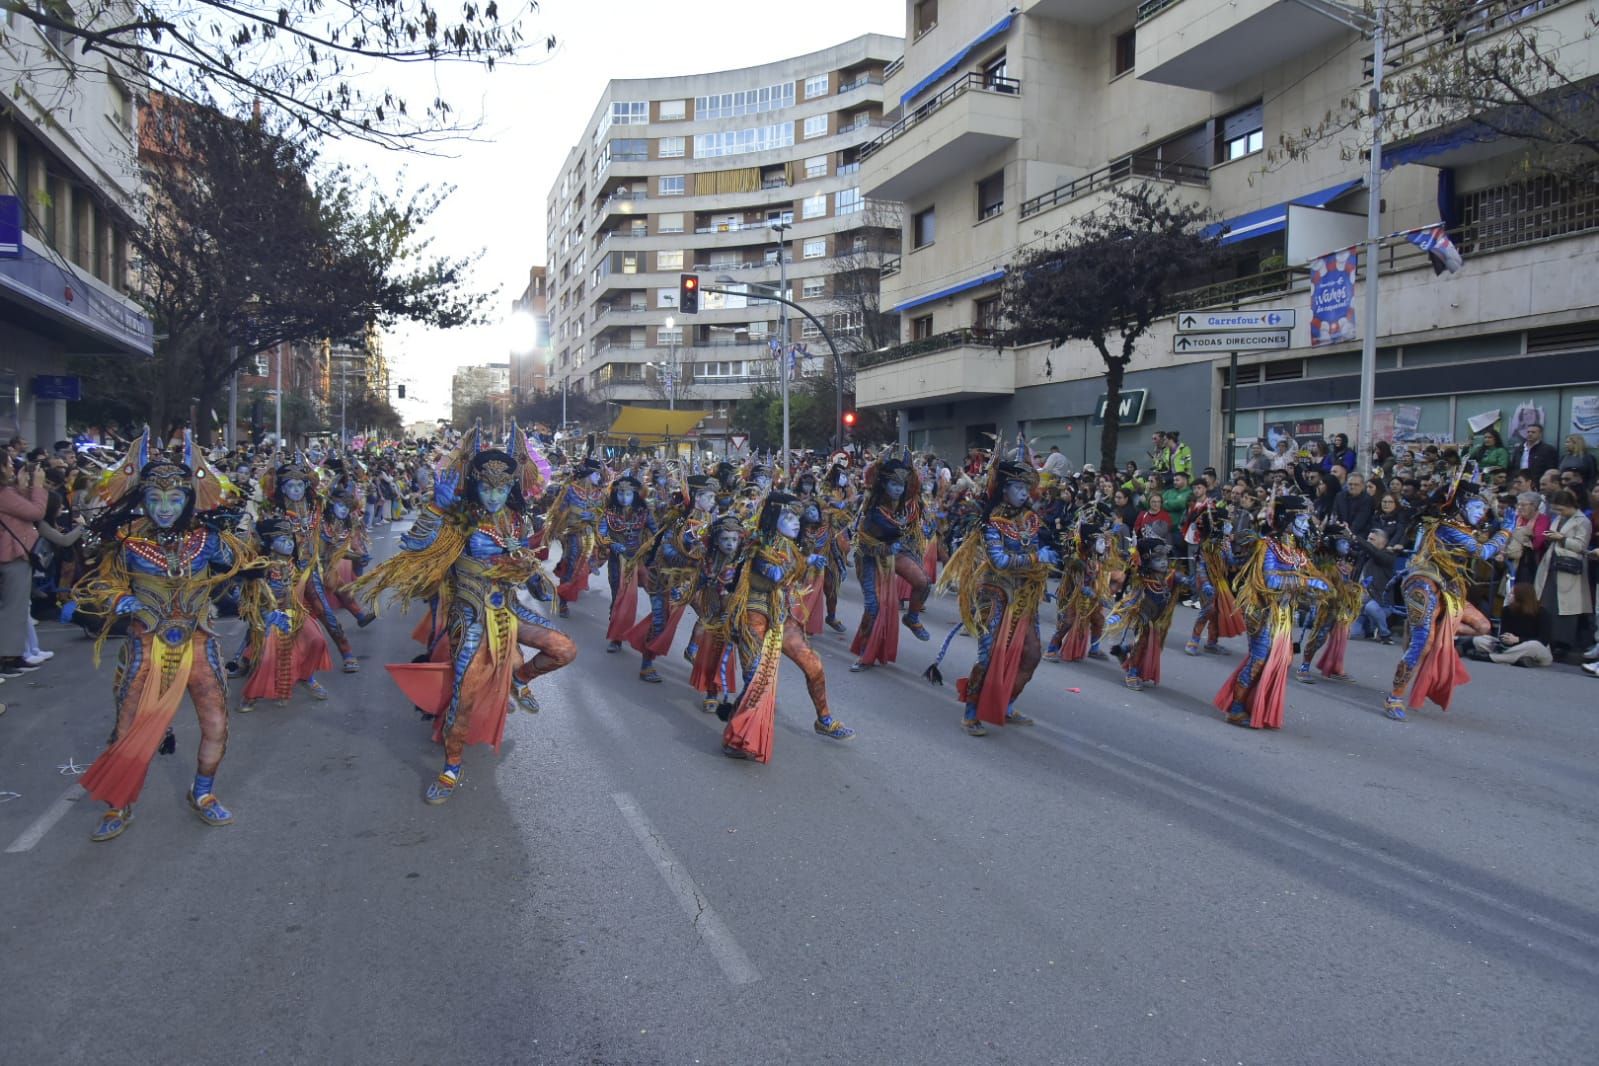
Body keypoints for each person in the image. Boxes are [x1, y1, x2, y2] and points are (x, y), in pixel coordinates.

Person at [356, 426, 576, 805]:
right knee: (465, 697)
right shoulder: (460, 517)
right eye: (487, 489)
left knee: (564, 650)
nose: (494, 496)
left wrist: (536, 578)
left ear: (511, 488)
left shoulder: (518, 522)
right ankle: (451, 765)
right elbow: (415, 544)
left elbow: (526, 567)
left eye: (502, 489)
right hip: (471, 614)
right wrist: (436, 507)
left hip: (509, 608)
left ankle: (518, 679)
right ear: (476, 486)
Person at [70, 430, 254, 841]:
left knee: (216, 724)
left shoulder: (208, 541)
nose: (165, 508)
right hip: (146, 646)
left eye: (174, 499)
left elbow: (243, 569)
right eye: (155, 499)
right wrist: (120, 600)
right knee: (128, 729)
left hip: (199, 642)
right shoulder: (128, 542)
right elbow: (100, 585)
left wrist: (239, 545)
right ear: (143, 500)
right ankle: (120, 804)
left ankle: (202, 794)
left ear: (189, 499)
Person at [931, 449, 1057, 735]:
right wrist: (1037, 559)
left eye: (1027, 487)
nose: (1024, 493)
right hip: (995, 593)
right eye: (1017, 487)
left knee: (1033, 654)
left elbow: (1033, 550)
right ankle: (971, 711)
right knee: (987, 657)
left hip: (1025, 594)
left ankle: (1005, 703)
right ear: (1003, 489)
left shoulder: (1030, 520)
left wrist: (1043, 565)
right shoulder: (992, 524)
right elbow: (999, 561)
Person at [720, 492, 854, 761]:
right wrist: (807, 562)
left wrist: (807, 561)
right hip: (753, 615)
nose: (796, 523)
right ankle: (735, 736)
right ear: (773, 518)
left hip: (780, 616)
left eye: (797, 517)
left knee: (813, 664)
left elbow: (791, 572)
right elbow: (777, 575)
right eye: (789, 517)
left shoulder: (790, 547)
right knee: (756, 680)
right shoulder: (758, 546)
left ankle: (824, 720)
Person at [1384, 475, 1507, 721]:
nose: (1482, 513)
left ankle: (1436, 627)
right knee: (1423, 642)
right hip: (1424, 583)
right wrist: (1506, 531)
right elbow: (1482, 551)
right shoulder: (1446, 527)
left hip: (1450, 587)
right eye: (1477, 507)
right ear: (1460, 505)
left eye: (1484, 508)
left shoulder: (1463, 528)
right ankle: (1394, 697)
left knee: (1482, 626)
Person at [1213, 495, 1328, 729]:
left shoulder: (1296, 550)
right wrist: (1304, 584)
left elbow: (1314, 576)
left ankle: (1257, 705)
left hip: (1283, 615)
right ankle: (1236, 708)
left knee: (1281, 661)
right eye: (1303, 518)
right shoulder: (1268, 546)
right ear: (1288, 518)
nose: (1307, 524)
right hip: (1262, 611)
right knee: (1259, 659)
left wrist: (1320, 587)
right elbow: (1270, 581)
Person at [850, 455, 931, 671]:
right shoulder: (872, 510)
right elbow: (865, 544)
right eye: (894, 484)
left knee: (923, 582)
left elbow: (910, 525)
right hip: (869, 557)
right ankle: (864, 653)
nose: (898, 489)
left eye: (901, 484)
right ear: (884, 484)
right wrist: (889, 546)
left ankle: (912, 618)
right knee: (873, 606)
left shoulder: (906, 507)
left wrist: (923, 529)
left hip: (894, 551)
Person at [0, 457, 47, 677]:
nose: (11, 467)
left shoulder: (7, 493)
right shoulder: (3, 494)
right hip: (12, 556)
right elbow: (35, 512)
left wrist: (22, 487)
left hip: (12, 555)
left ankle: (14, 654)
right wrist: (37, 487)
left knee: (15, 608)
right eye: (8, 463)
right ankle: (9, 658)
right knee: (14, 609)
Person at [1534, 490, 1592, 657]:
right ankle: (1547, 639)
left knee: (1566, 607)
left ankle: (1563, 643)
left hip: (1569, 567)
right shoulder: (1559, 518)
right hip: (1552, 564)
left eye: (1561, 509)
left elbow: (1581, 546)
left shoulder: (1583, 521)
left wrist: (1562, 538)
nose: (1558, 513)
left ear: (1570, 506)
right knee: (1547, 602)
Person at [1469, 583, 1553, 667]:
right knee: (1479, 640)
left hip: (1534, 649)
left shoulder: (1542, 613)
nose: (1509, 595)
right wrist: (1505, 639)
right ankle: (1518, 659)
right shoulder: (1507, 610)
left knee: (1534, 645)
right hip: (1511, 647)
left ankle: (1492, 658)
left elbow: (1543, 641)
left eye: (1512, 594)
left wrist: (1518, 640)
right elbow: (1503, 633)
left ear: (1521, 597)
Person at [1333, 471, 1375, 538]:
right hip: (1341, 530)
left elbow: (1360, 522)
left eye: (1356, 484)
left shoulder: (1367, 499)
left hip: (1359, 534)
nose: (1352, 487)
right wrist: (1338, 524)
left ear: (1363, 486)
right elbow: (1335, 513)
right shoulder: (1340, 496)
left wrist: (1347, 531)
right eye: (1350, 484)